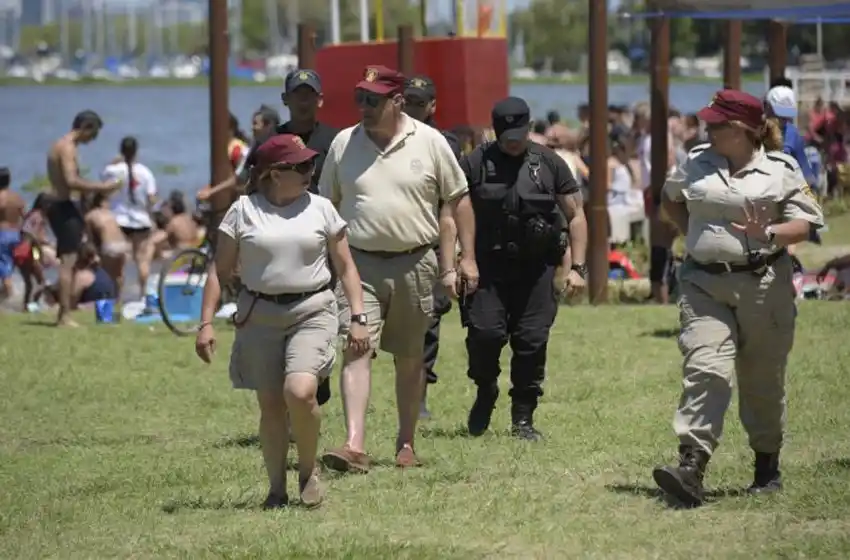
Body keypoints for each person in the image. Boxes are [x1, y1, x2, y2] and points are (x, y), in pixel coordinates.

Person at [655, 89, 824, 507]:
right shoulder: (695, 161)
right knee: (705, 367)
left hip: (763, 283)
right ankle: (691, 466)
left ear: (742, 129)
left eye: (716, 124)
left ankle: (766, 467)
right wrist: (691, 235)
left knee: (762, 381)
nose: (707, 129)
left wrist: (766, 234)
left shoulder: (780, 169)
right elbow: (668, 199)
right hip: (703, 284)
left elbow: (805, 224)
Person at [195, 134, 369, 509]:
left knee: (301, 391)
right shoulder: (243, 211)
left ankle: (308, 472)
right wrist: (206, 323)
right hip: (259, 314)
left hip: (312, 308)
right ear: (275, 173)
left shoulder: (321, 208)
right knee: (271, 405)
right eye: (301, 166)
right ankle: (276, 489)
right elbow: (219, 270)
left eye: (311, 164)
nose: (310, 171)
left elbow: (346, 267)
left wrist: (358, 317)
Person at [318, 65, 478, 471]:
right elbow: (325, 208)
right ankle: (354, 444)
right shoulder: (343, 144)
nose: (364, 107)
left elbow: (458, 200)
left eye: (373, 100)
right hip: (359, 265)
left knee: (410, 357)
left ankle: (406, 443)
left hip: (416, 262)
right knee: (356, 348)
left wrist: (466, 258)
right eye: (360, 99)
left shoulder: (429, 142)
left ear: (398, 102)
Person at [459, 96, 588, 441]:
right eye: (507, 136)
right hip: (488, 269)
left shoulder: (549, 163)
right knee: (484, 335)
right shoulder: (475, 162)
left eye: (519, 134)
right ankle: (486, 388)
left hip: (535, 271)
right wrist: (464, 259)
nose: (513, 142)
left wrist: (577, 267)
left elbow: (575, 216)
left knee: (532, 342)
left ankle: (523, 417)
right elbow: (457, 210)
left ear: (529, 128)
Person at [402, 74, 462, 419]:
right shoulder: (383, 139)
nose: (412, 109)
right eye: (407, 102)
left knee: (429, 323)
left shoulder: (445, 144)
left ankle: (419, 396)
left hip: (432, 244)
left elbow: (455, 200)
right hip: (393, 241)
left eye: (419, 104)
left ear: (432, 107)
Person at [46, 110, 121, 327]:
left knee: (68, 260)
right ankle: (64, 316)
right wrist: (103, 187)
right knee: (69, 263)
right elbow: (70, 181)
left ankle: (64, 312)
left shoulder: (57, 144)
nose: (93, 139)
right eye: (94, 134)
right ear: (86, 127)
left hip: (57, 205)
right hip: (63, 207)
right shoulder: (68, 148)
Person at [102, 137, 157, 300]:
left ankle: (118, 298)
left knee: (119, 263)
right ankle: (142, 296)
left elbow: (103, 185)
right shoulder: (146, 172)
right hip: (141, 220)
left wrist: (115, 161)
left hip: (120, 220)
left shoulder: (113, 170)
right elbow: (151, 199)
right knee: (142, 260)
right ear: (136, 151)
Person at [197, 105, 281, 203]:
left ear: (269, 126)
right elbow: (238, 178)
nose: (251, 127)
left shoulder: (283, 148)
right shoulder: (255, 149)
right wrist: (211, 192)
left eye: (255, 124)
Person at [764, 86, 817, 187]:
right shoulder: (754, 130)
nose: (783, 118)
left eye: (786, 114)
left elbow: (805, 170)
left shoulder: (793, 134)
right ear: (767, 107)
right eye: (779, 113)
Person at [83, 193, 129, 309]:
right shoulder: (110, 213)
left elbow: (90, 241)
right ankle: (119, 301)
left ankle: (108, 303)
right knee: (119, 275)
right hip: (123, 245)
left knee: (106, 276)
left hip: (110, 246)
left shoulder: (90, 216)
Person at [14, 193, 55, 311]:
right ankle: (33, 306)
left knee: (30, 284)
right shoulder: (38, 216)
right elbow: (31, 234)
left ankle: (27, 307)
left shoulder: (32, 214)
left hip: (24, 250)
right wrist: (39, 254)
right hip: (32, 251)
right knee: (41, 282)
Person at [0, 167, 25, 302]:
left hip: (2, 236)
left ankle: (8, 297)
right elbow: (26, 217)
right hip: (16, 235)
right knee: (10, 270)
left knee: (5, 273)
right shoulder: (17, 197)